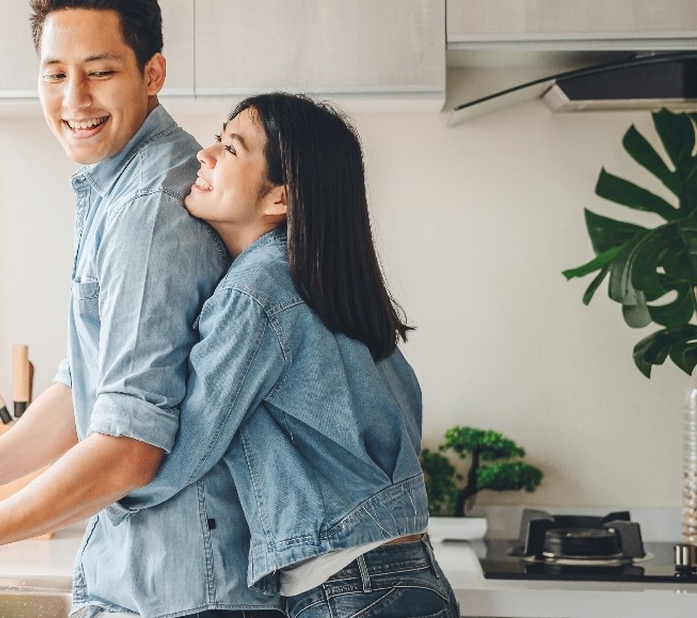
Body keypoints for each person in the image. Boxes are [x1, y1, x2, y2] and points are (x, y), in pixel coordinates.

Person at [0, 0, 281, 618]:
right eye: (56, 74)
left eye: (100, 71)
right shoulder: (119, 188)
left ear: (153, 73)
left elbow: (128, 449)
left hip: (178, 593)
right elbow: (88, 388)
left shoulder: (146, 210)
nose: (74, 98)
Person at [114, 93, 459, 618]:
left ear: (280, 198)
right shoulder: (329, 286)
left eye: (230, 149)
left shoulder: (256, 291)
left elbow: (189, 447)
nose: (204, 155)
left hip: (350, 588)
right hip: (411, 576)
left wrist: (104, 495)